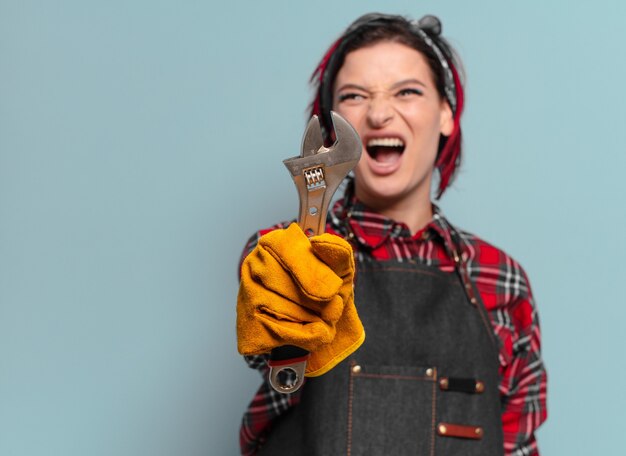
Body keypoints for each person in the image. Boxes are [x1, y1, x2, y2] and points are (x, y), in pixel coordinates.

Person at [236, 13, 547, 456]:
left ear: (445, 114)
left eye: (407, 91)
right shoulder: (287, 254)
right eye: (355, 96)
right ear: (329, 131)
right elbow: (264, 340)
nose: (379, 114)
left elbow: (518, 442)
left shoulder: (501, 278)